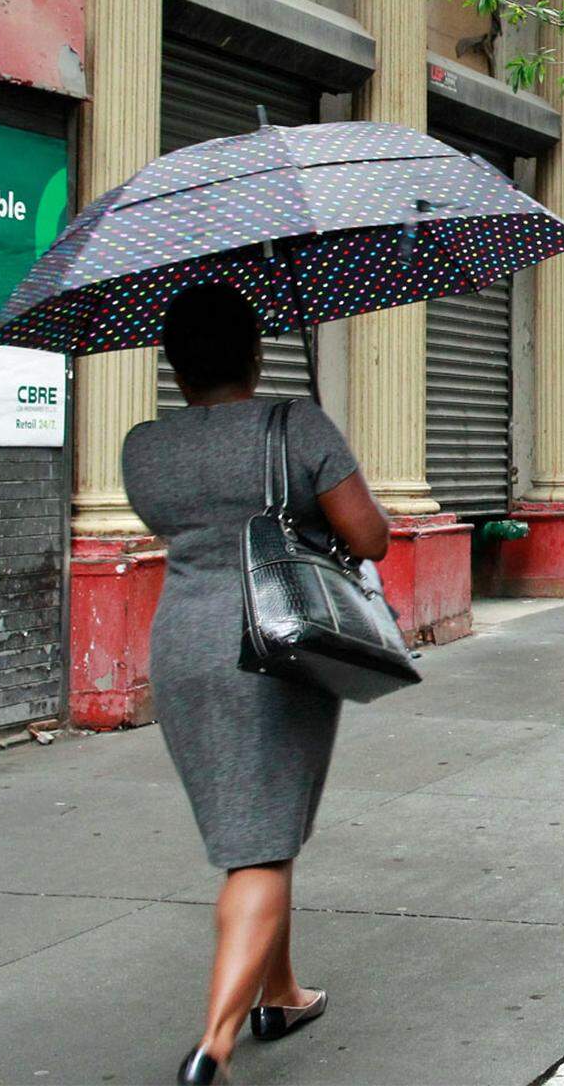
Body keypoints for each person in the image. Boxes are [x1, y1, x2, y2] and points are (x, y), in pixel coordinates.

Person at [122, 283, 390, 1085]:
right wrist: (309, 464)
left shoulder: (144, 447)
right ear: (256, 351)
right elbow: (368, 535)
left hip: (182, 646)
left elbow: (177, 523)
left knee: (259, 823)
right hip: (276, 644)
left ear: (173, 363)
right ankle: (215, 1043)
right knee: (260, 847)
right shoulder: (296, 425)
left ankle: (281, 992)